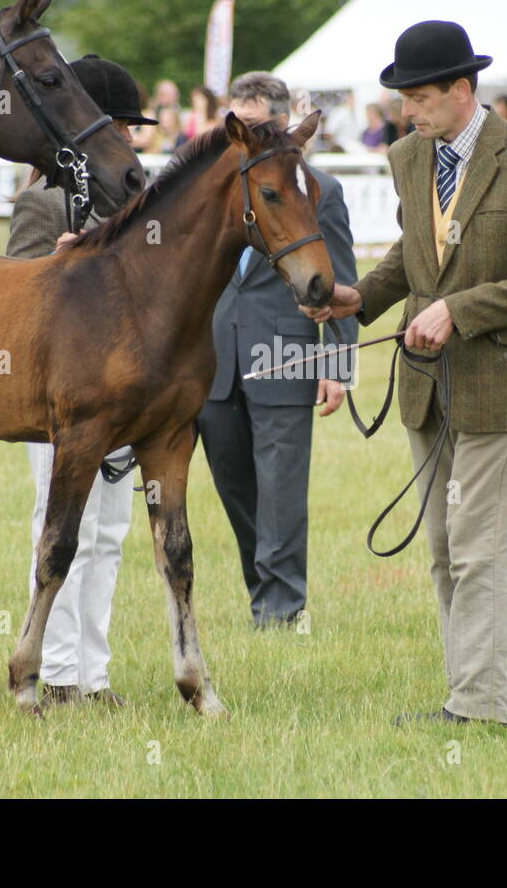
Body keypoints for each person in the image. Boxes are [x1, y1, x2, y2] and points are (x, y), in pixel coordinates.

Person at [303, 21, 507, 724]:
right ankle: (468, 691)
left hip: (497, 380)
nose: (407, 113)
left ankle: (479, 706)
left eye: (418, 99)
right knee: (445, 548)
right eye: (401, 100)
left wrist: (459, 308)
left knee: (479, 549)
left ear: (462, 91)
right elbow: (414, 252)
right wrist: (360, 297)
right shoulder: (406, 157)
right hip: (424, 381)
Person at [5, 54, 159, 707]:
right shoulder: (43, 202)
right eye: (122, 126)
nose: (128, 140)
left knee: (109, 535)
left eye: (129, 129)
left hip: (126, 392)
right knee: (63, 526)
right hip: (62, 395)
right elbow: (15, 301)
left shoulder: (142, 199)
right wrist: (61, 270)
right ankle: (59, 669)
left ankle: (93, 672)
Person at [196, 71, 359, 629]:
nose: (249, 138)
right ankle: (260, 592)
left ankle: (281, 611)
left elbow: (339, 283)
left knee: (282, 492)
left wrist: (337, 366)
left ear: (285, 123)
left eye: (259, 126)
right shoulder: (216, 198)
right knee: (236, 489)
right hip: (215, 365)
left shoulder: (322, 192)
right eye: (239, 127)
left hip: (288, 358)